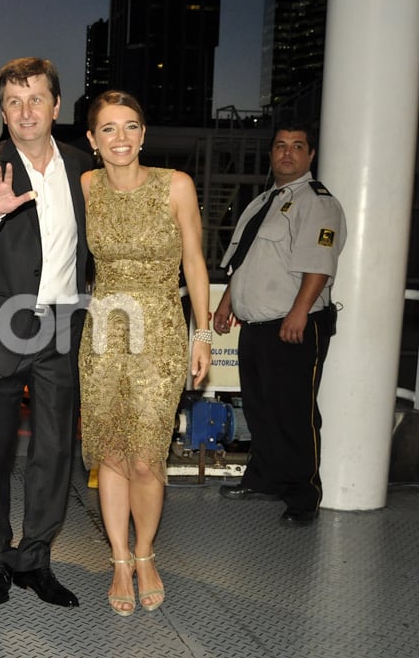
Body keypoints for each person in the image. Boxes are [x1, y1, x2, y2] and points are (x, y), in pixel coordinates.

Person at [0, 57, 90, 608]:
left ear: (56, 105)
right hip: (0, 324)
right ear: (2, 110)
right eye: (13, 101)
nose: (25, 111)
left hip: (62, 324)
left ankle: (36, 559)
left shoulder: (83, 167)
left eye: (36, 99)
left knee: (54, 450)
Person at [79, 90, 210, 616]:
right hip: (104, 335)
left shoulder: (175, 186)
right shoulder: (86, 186)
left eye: (130, 126)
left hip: (158, 330)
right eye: (108, 129)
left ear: (143, 134)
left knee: (146, 456)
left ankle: (146, 552)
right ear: (91, 140)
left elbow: (196, 263)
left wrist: (202, 335)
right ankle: (118, 560)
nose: (121, 138)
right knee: (110, 451)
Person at [214, 122, 345, 527]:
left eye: (297, 147)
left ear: (310, 156)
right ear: (272, 154)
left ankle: (303, 495)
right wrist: (226, 303)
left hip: (294, 324)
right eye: (280, 146)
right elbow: (245, 261)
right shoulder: (263, 202)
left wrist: (300, 311)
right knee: (259, 407)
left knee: (293, 412)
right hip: (256, 324)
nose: (287, 153)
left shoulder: (318, 203)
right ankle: (265, 479)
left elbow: (319, 265)